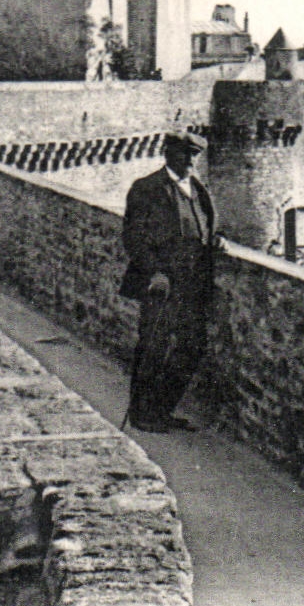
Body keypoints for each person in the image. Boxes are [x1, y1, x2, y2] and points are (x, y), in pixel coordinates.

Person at [120, 131, 218, 433]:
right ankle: (141, 414)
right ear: (167, 154)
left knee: (192, 347)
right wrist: (154, 272)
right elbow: (133, 237)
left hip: (193, 285)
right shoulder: (147, 188)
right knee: (153, 347)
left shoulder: (198, 190)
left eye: (194, 155)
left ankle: (163, 409)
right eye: (182, 154)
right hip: (161, 285)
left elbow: (208, 226)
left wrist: (219, 239)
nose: (189, 161)